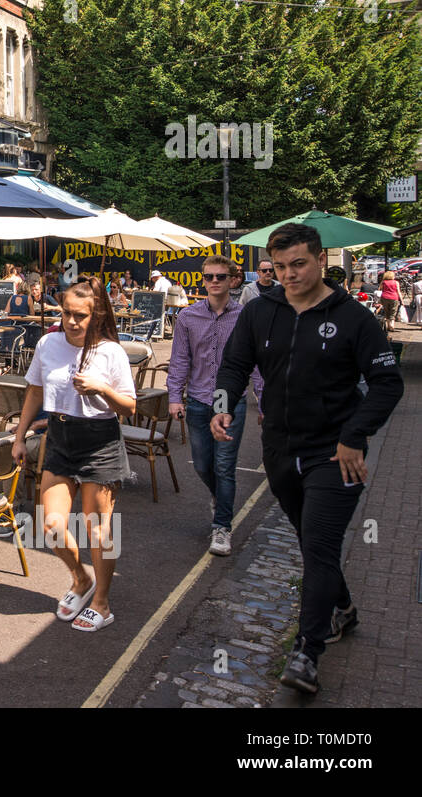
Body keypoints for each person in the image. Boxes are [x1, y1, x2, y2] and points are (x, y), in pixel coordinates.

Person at [213, 224, 403, 694]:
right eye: (279, 267)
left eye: (298, 263)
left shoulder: (354, 317)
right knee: (309, 540)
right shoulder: (260, 311)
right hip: (278, 449)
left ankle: (306, 652)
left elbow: (387, 383)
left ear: (320, 259)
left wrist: (355, 436)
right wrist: (222, 404)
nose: (289, 274)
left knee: (318, 546)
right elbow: (235, 366)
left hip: (335, 453)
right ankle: (343, 608)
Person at [14, 277, 137, 633]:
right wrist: (20, 437)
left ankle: (102, 601)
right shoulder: (48, 344)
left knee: (98, 531)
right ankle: (80, 578)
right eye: (66, 313)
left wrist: (100, 388)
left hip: (99, 439)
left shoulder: (110, 351)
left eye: (80, 316)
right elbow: (35, 393)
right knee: (51, 526)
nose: (71, 321)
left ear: (95, 315)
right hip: (60, 435)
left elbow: (129, 407)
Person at [167, 255, 264, 558]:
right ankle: (219, 497)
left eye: (221, 276)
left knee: (224, 466)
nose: (214, 282)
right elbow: (180, 359)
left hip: (229, 402)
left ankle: (221, 526)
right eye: (208, 277)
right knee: (202, 464)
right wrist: (173, 396)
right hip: (198, 398)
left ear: (234, 280)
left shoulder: (247, 317)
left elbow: (258, 366)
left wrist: (264, 402)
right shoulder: (187, 317)